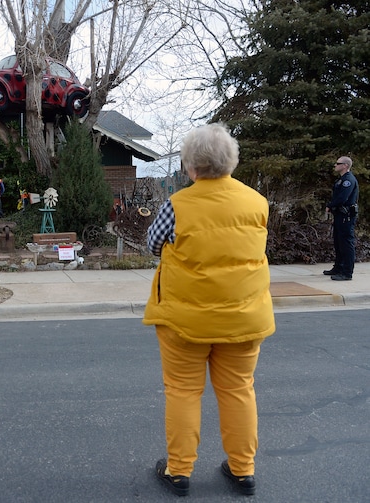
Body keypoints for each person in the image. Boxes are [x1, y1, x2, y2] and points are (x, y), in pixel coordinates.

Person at [143, 123, 275, 497]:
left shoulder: (177, 205)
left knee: (183, 392)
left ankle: (179, 471)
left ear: (191, 167)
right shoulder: (257, 202)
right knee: (239, 390)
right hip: (244, 317)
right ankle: (242, 469)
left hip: (185, 321)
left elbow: (153, 244)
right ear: (231, 161)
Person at [324, 156, 359, 281]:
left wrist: (330, 205)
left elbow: (342, 198)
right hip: (340, 215)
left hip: (346, 216)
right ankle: (338, 267)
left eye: (338, 163)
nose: (335, 165)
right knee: (338, 242)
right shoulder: (342, 180)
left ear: (345, 165)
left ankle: (347, 272)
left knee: (346, 243)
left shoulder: (348, 180)